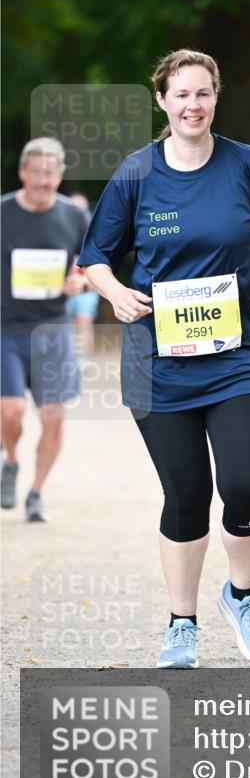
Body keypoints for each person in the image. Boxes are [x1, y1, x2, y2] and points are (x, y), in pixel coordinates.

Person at [78, 49, 250, 668]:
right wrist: (118, 293)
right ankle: (182, 623)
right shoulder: (135, 173)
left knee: (249, 485)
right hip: (158, 363)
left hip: (235, 357)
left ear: (215, 98)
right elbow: (94, 256)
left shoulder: (247, 166)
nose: (192, 105)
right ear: (162, 101)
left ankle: (243, 596)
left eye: (203, 93)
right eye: (181, 95)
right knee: (186, 495)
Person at [1, 137, 89, 522]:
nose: (42, 180)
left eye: (49, 173)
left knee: (53, 414)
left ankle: (36, 492)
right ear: (22, 172)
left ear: (60, 175)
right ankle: (12, 460)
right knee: (12, 410)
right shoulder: (3, 213)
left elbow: (91, 263)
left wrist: (80, 282)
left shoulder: (74, 217)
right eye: (35, 172)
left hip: (52, 327)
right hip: (5, 327)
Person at [66, 193, 99, 355]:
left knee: (84, 321)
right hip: (65, 285)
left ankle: (82, 360)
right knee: (66, 324)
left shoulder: (94, 231)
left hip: (87, 284)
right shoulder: (58, 227)